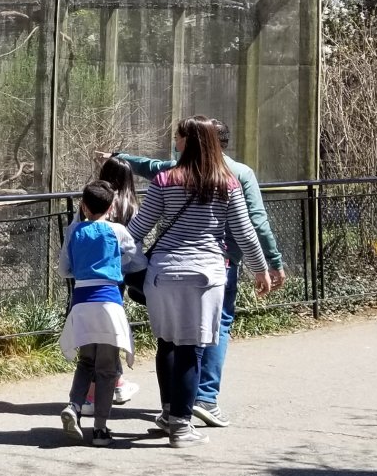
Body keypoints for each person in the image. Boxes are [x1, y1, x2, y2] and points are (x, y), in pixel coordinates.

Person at [107, 119, 284, 427]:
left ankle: (167, 411)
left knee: (167, 343)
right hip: (207, 276)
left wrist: (125, 262)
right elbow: (244, 232)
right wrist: (261, 269)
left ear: (186, 143)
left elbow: (133, 232)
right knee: (192, 347)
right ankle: (182, 421)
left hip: (163, 274)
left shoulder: (164, 180)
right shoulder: (227, 183)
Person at [57, 180, 137, 446]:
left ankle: (74, 405)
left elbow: (64, 268)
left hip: (81, 303)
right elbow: (135, 258)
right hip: (109, 304)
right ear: (112, 206)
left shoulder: (73, 231)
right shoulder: (118, 230)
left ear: (82, 205)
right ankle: (101, 429)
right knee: (106, 368)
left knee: (86, 361)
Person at [77, 155, 144, 414]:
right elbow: (134, 248)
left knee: (94, 335)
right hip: (117, 276)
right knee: (109, 331)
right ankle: (109, 385)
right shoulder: (131, 206)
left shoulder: (93, 204)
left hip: (88, 276)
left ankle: (104, 386)